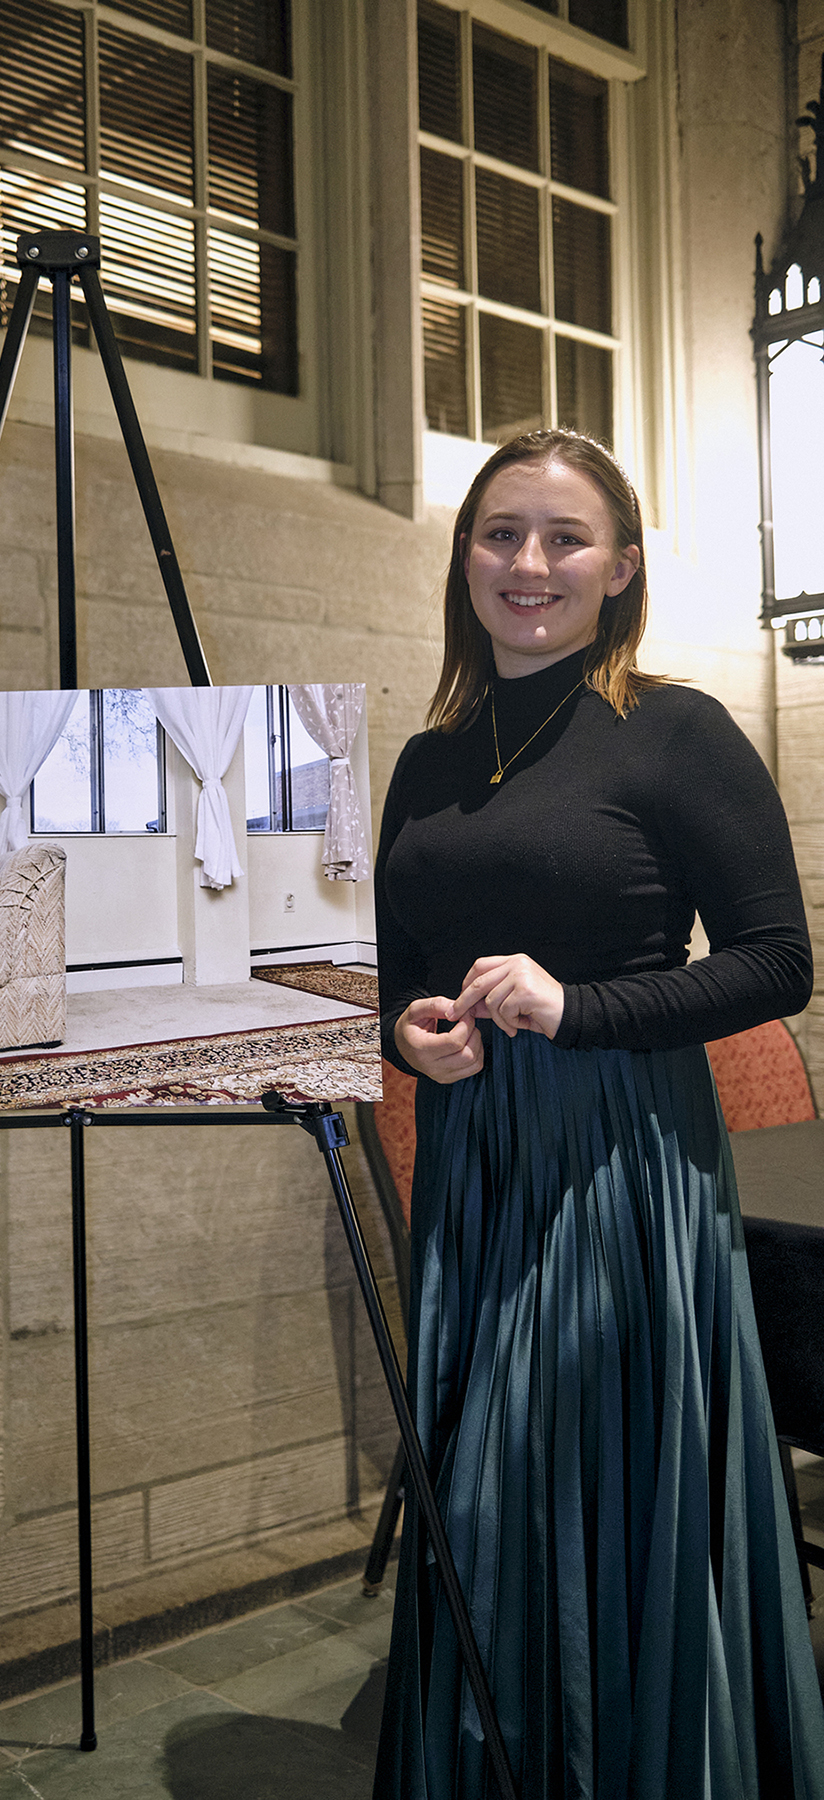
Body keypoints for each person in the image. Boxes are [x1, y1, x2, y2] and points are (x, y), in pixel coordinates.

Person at [373, 428, 824, 1799]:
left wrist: (579, 1009)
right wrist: (408, 1034)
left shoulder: (674, 728)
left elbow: (777, 962)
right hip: (474, 1157)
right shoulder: (429, 755)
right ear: (465, 558)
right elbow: (397, 967)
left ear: (621, 568)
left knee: (573, 1477)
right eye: (501, 533)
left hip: (618, 1161)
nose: (529, 563)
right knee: (480, 1487)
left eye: (565, 539)